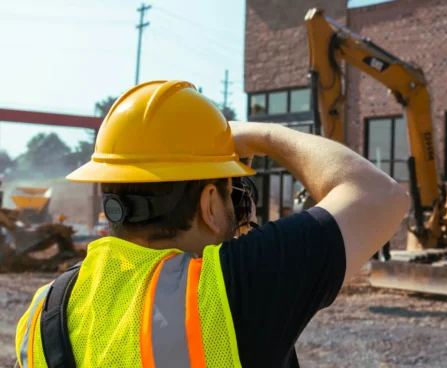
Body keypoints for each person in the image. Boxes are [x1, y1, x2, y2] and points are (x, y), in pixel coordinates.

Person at [14, 80, 408, 368]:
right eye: (230, 192)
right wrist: (263, 134)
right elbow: (381, 195)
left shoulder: (42, 312)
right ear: (208, 204)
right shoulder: (230, 287)